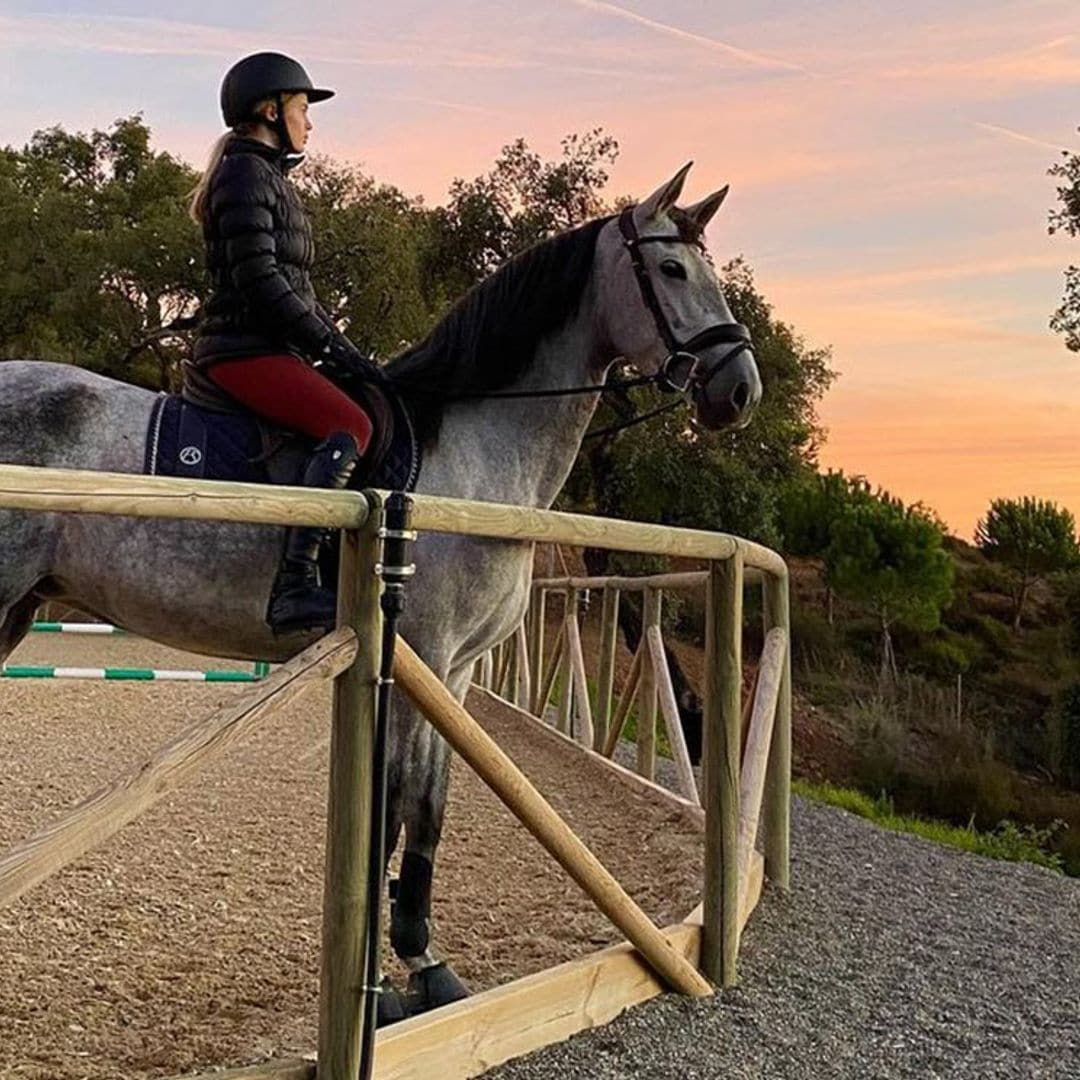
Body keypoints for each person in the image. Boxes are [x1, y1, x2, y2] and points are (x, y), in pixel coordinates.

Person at [185, 52, 384, 636]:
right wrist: (326, 343)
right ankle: (294, 584)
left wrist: (344, 349)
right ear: (271, 111)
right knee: (351, 425)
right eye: (302, 108)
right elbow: (261, 280)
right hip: (240, 349)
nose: (309, 122)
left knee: (365, 402)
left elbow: (298, 287)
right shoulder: (245, 175)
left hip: (269, 344)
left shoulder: (268, 177)